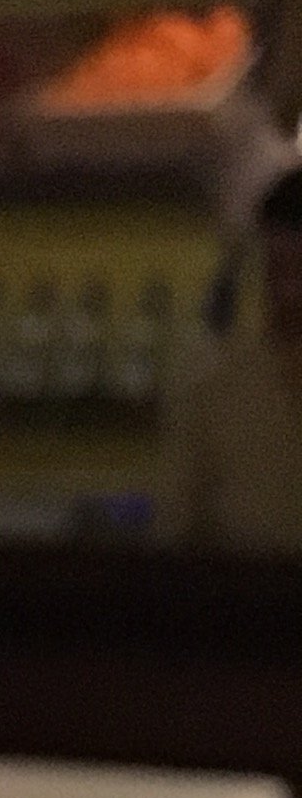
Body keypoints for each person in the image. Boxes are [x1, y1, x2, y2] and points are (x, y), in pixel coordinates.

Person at [160, 169, 302, 550]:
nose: (289, 294)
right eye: (278, 271)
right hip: (241, 585)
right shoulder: (212, 381)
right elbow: (177, 528)